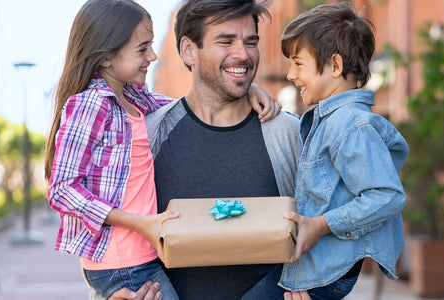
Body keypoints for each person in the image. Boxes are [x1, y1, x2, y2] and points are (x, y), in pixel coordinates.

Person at [44, 0, 281, 299]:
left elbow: (187, 105)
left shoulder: (135, 100)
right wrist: (141, 224)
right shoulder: (92, 103)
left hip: (138, 258)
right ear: (105, 57)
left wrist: (247, 88)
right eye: (142, 49)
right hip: (124, 264)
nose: (152, 56)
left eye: (151, 46)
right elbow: (62, 189)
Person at [107, 0, 300, 299]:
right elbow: (111, 240)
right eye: (226, 41)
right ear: (188, 50)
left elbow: (329, 236)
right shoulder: (148, 134)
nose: (243, 54)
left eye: (251, 42)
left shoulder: (287, 134)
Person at [248, 2, 409, 299]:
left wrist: (321, 225)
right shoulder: (330, 119)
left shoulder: (350, 124)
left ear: (334, 65)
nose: (291, 74)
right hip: (315, 269)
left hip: (324, 275)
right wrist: (252, 90)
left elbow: (387, 196)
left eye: (298, 63)